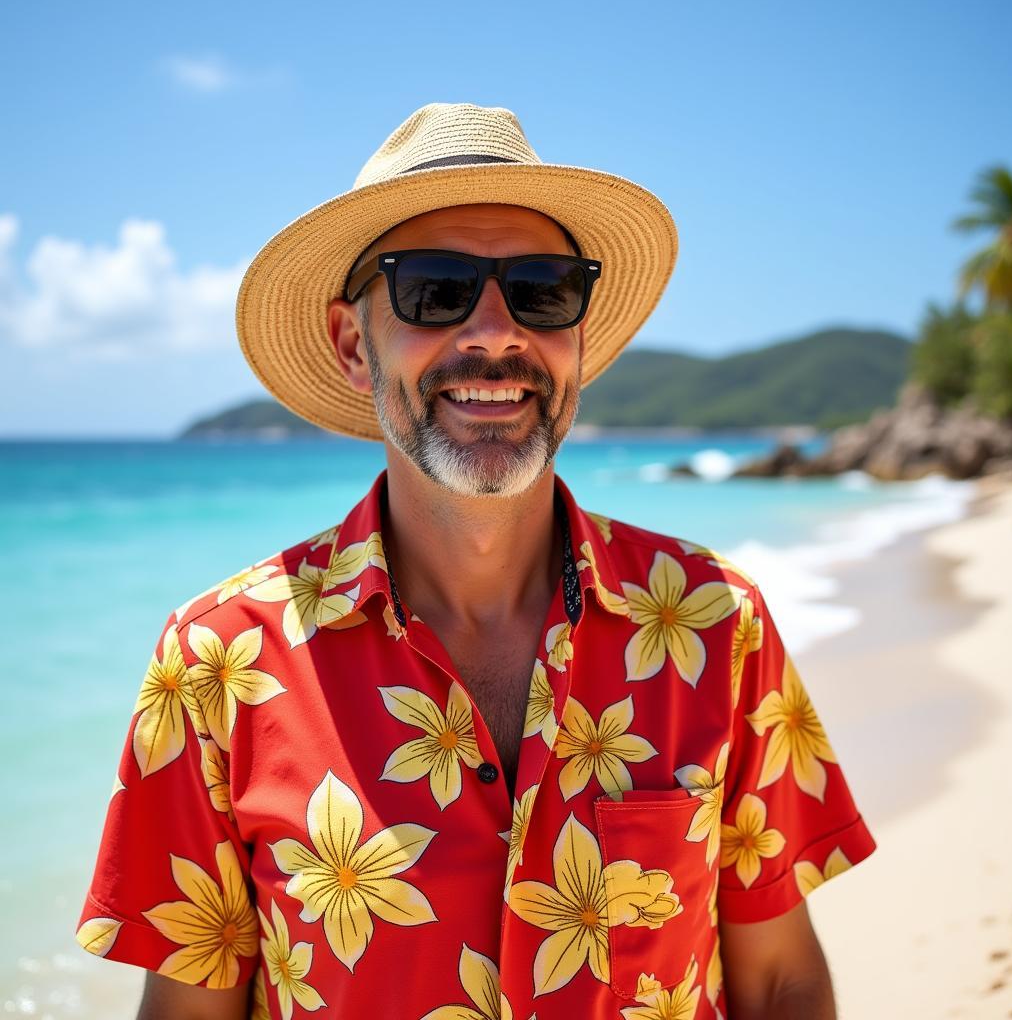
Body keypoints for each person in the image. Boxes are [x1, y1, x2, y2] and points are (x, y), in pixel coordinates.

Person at [76, 102, 875, 1020]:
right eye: (433, 288)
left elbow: (782, 981)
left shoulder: (717, 623)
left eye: (542, 290)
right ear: (351, 342)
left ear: (576, 338)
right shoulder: (216, 666)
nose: (495, 334)